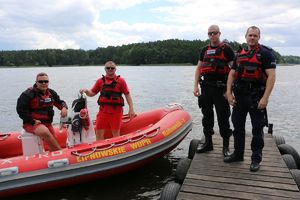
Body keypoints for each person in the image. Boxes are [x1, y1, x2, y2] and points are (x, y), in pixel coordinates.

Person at [224, 26, 276, 172]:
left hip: (256, 96)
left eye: (255, 35)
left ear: (259, 37)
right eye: (250, 35)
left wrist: (265, 98)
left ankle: (255, 159)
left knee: (257, 129)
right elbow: (232, 74)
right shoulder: (239, 54)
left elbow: (271, 76)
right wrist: (229, 93)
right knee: (237, 127)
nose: (252, 38)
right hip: (239, 96)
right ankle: (238, 154)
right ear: (245, 36)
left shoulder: (266, 54)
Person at [193, 25, 235, 157]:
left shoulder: (226, 49)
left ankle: (226, 146)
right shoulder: (204, 50)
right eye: (210, 33)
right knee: (207, 117)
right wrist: (195, 86)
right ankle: (208, 143)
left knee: (223, 117)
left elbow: (234, 71)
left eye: (214, 33)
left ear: (219, 33)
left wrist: (230, 91)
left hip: (221, 88)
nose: (212, 35)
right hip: (206, 88)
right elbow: (199, 68)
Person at [80, 61, 135, 140]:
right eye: (108, 68)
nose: (110, 69)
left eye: (112, 68)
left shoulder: (121, 81)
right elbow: (92, 93)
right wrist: (86, 91)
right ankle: (100, 150)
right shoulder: (100, 81)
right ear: (105, 69)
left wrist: (131, 109)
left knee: (116, 134)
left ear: (115, 69)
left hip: (116, 112)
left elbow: (127, 94)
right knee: (98, 133)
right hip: (103, 112)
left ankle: (117, 150)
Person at [17, 72, 68, 151]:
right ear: (36, 82)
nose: (43, 83)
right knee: (44, 131)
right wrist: (32, 121)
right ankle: (61, 153)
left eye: (46, 81)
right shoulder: (27, 94)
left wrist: (64, 108)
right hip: (31, 123)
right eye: (40, 81)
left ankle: (54, 156)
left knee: (53, 140)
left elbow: (60, 102)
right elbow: (21, 110)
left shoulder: (51, 93)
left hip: (47, 123)